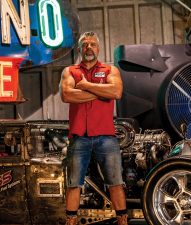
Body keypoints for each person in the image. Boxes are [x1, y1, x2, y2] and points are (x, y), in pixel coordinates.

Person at [59, 31, 128, 225]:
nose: (89, 47)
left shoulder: (109, 70)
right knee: (74, 183)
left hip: (106, 136)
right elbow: (67, 95)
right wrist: (100, 92)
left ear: (98, 48)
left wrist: (86, 86)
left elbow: (116, 91)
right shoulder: (70, 71)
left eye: (93, 44)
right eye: (85, 44)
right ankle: (71, 221)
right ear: (80, 49)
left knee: (115, 182)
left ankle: (122, 220)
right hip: (79, 136)